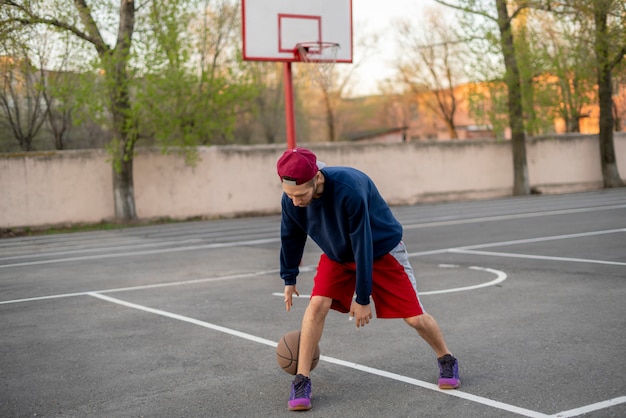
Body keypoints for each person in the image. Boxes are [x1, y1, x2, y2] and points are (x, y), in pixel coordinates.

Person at [276, 147, 460, 411]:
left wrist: (362, 298)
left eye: (300, 194)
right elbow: (290, 235)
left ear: (316, 178)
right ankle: (301, 379)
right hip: (338, 252)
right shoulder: (291, 199)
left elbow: (363, 242)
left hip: (380, 249)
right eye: (289, 195)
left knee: (415, 318)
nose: (295, 201)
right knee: (316, 305)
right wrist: (289, 276)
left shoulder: (349, 189)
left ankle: (447, 357)